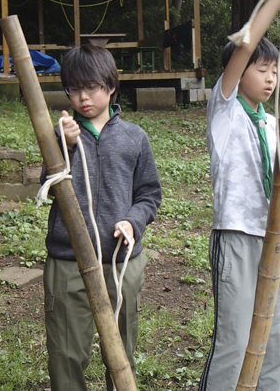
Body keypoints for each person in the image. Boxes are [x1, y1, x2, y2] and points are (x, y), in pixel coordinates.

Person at [199, 0, 280, 391]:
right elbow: (244, 44)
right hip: (238, 235)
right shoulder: (224, 110)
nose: (270, 77)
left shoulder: (270, 123)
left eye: (274, 71)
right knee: (235, 338)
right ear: (238, 73)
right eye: (261, 69)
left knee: (278, 336)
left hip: (274, 236)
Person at [41, 43, 162, 391]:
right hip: (68, 262)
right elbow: (47, 188)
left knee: (122, 353)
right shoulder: (60, 136)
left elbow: (149, 194)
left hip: (121, 261)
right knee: (65, 355)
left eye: (91, 87)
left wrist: (133, 222)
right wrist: (61, 146)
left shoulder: (134, 138)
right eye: (74, 88)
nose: (83, 97)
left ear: (110, 86)